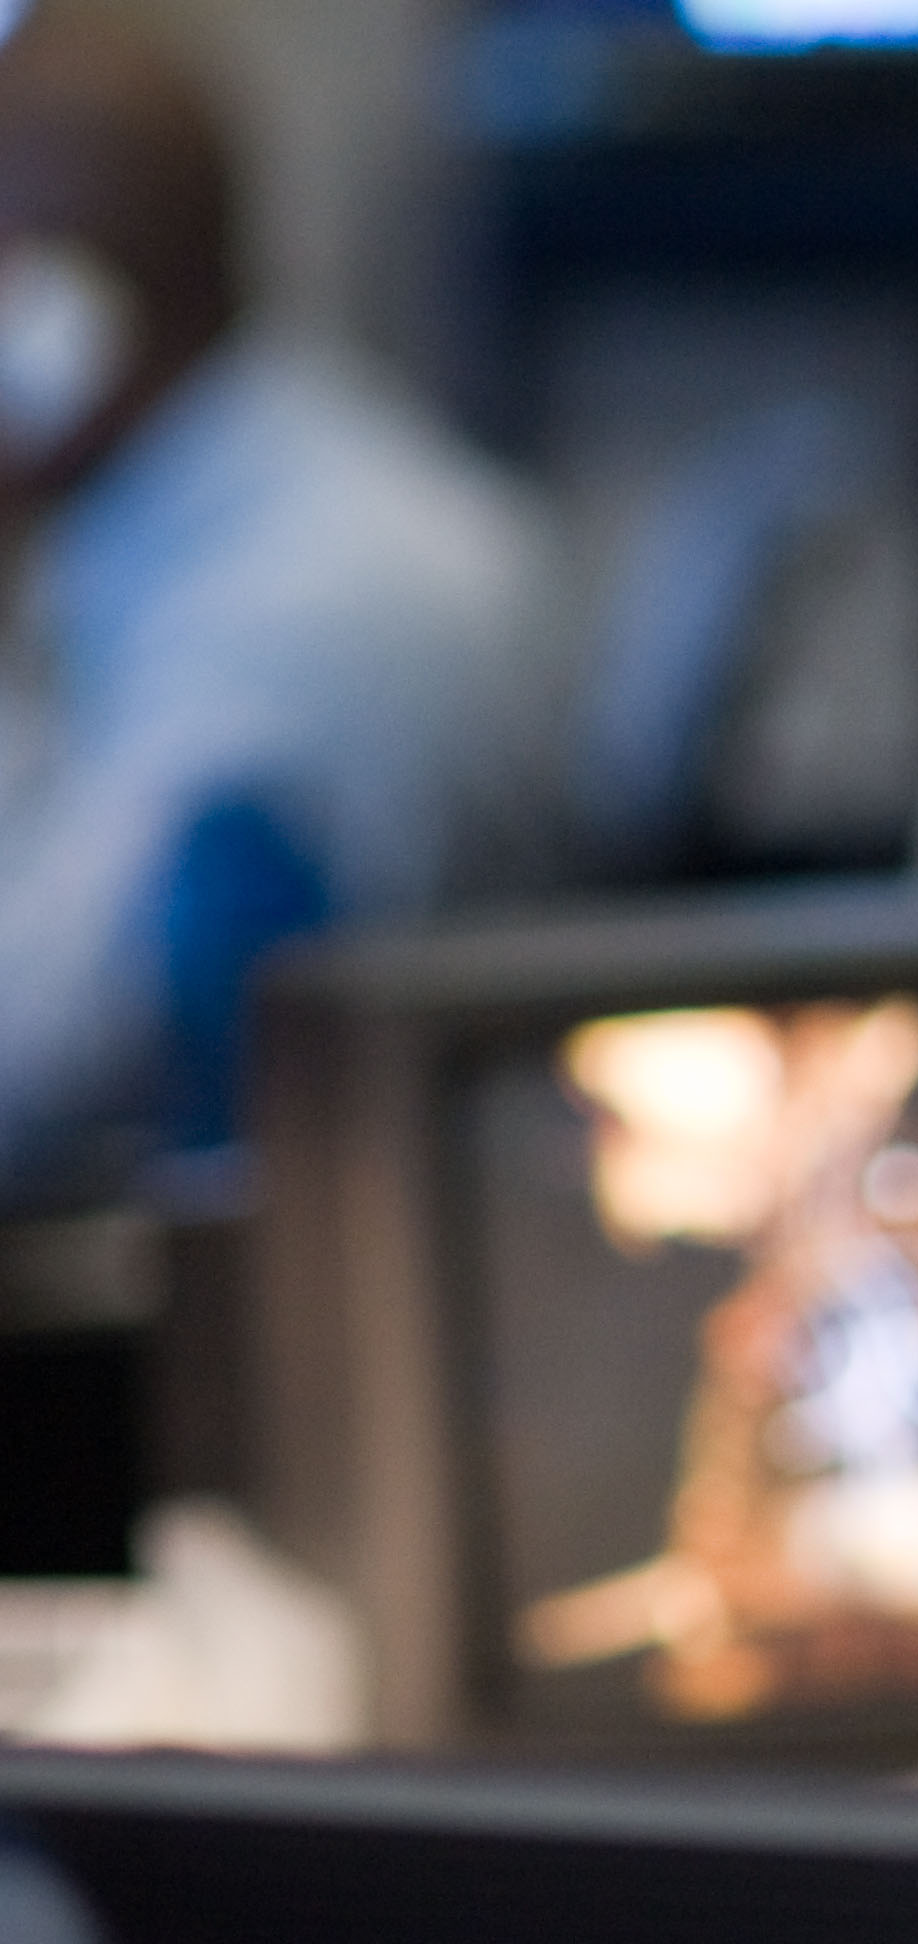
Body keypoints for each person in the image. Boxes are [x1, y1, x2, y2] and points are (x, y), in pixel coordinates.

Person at [0, 0, 551, 1199]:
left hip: (276, 1310)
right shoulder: (239, 513)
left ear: (56, 322)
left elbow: (34, 1062)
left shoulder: (301, 609)